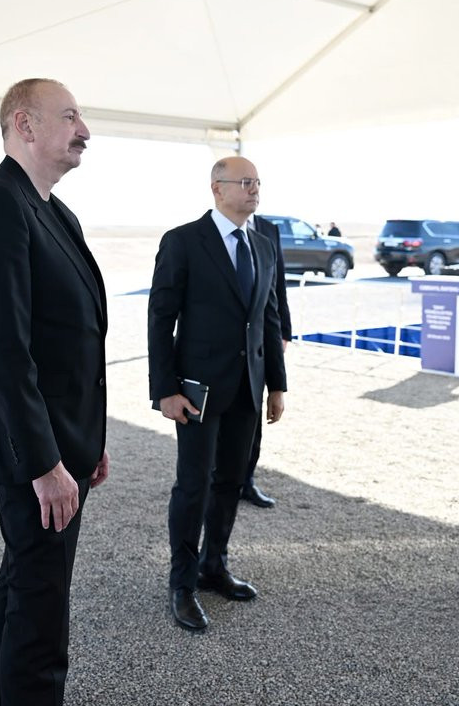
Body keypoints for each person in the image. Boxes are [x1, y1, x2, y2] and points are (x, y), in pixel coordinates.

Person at [0, 78, 110, 705]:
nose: (84, 130)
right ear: (24, 125)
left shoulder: (53, 210)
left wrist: (87, 441)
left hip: (64, 439)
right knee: (42, 603)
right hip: (32, 449)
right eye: (69, 116)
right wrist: (45, 463)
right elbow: (1, 350)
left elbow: (69, 339)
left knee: (30, 577)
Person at [148, 156, 287, 631]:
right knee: (193, 486)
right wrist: (164, 390)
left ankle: (214, 565)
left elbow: (268, 318)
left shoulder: (263, 245)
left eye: (257, 182)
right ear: (217, 188)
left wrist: (277, 385)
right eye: (245, 182)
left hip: (248, 387)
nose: (254, 189)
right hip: (197, 392)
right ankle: (182, 583)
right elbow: (160, 319)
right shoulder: (183, 241)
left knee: (230, 482)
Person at [241, 213, 292, 508]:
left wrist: (284, 330)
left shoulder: (268, 230)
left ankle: (246, 480)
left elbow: (277, 283)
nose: (253, 192)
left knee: (255, 419)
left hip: (262, 339)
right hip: (226, 347)